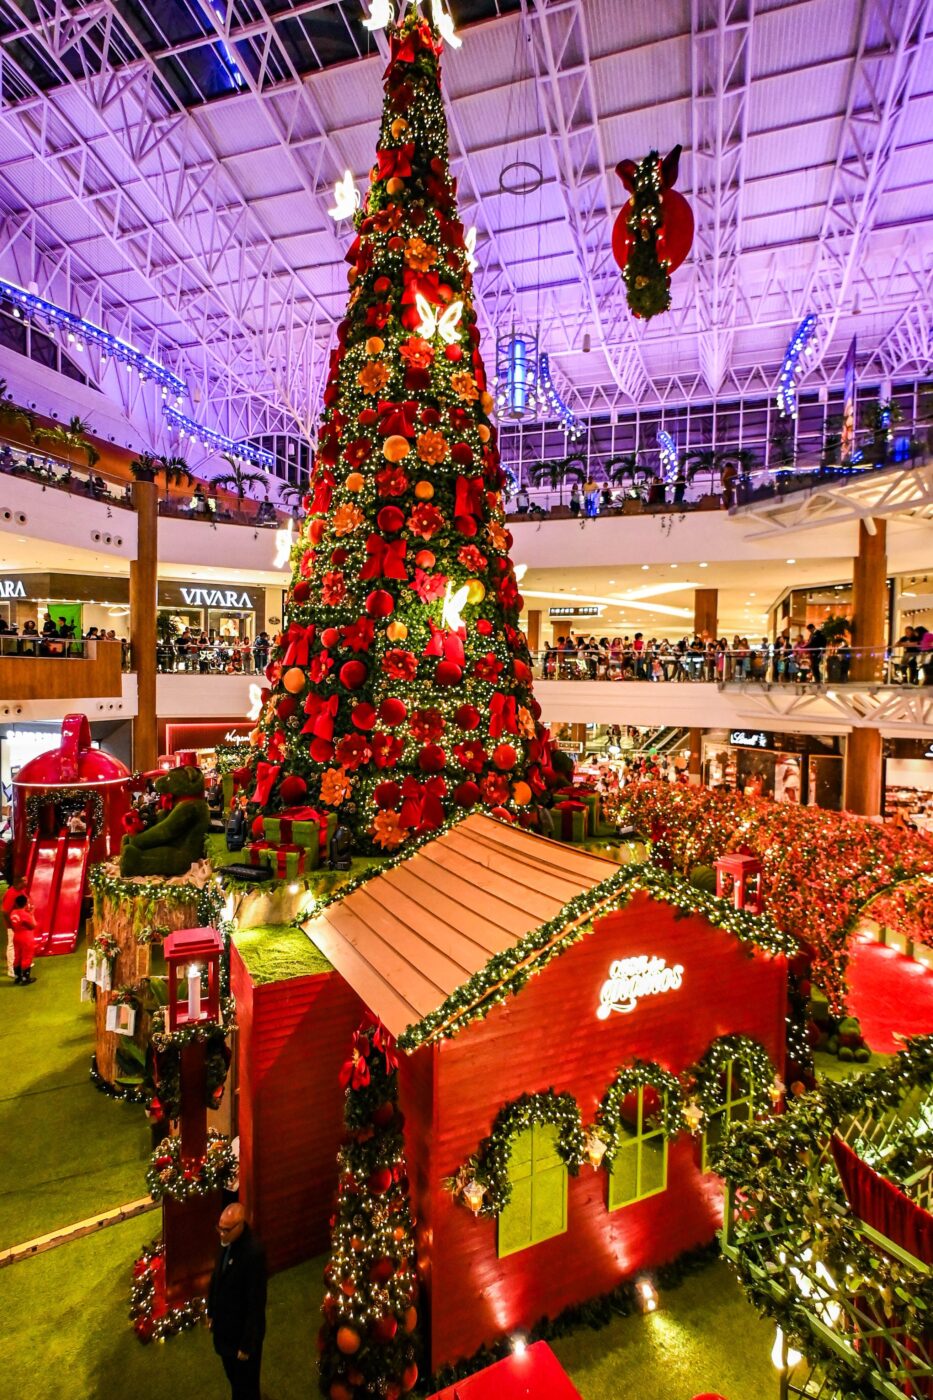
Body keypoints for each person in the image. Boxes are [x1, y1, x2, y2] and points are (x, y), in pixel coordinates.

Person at [206, 1203, 267, 1400]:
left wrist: (247, 1344)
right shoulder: (226, 1241)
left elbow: (256, 1303)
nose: (221, 1234)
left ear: (241, 1226)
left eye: (226, 1229)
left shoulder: (253, 1254)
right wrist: (210, 1312)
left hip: (241, 1337)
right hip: (225, 1332)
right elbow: (217, 1278)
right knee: (234, 1380)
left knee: (246, 1386)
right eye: (219, 1228)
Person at [9, 892, 38, 985]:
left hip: (16, 936)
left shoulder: (13, 913)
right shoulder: (25, 914)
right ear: (26, 903)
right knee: (27, 957)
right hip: (26, 937)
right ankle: (25, 979)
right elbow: (33, 925)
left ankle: (17, 978)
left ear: (16, 903)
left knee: (17, 957)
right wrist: (32, 914)